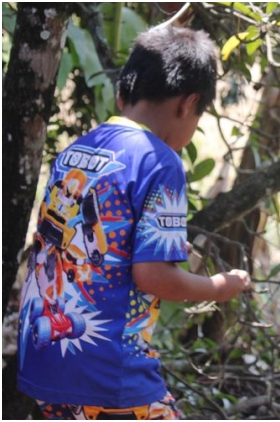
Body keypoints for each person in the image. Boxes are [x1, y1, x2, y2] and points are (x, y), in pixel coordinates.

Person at [16, 26, 252, 420]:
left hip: (45, 361)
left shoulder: (75, 152)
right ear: (188, 103)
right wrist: (221, 287)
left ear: (124, 94)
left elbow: (88, 238)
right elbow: (153, 277)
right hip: (111, 374)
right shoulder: (161, 162)